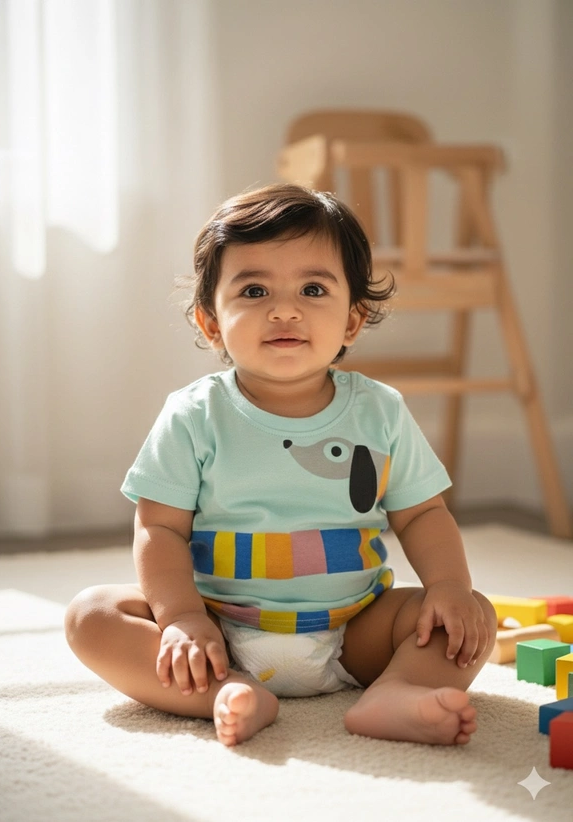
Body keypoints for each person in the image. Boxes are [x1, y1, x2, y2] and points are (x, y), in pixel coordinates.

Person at [65, 183, 497, 748]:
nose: (284, 309)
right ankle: (226, 692)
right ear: (211, 322)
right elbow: (159, 529)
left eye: (313, 289)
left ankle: (398, 692)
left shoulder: (380, 410)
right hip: (220, 626)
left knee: (470, 613)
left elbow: (422, 515)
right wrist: (182, 619)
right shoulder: (194, 414)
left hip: (355, 629)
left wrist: (448, 586)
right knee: (91, 615)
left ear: (352, 321)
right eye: (254, 290)